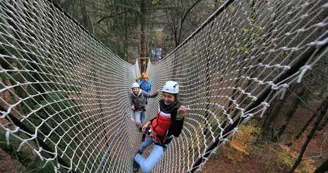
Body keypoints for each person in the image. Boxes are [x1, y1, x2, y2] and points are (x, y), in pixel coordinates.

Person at [133, 81, 190, 173]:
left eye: (169, 96)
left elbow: (176, 133)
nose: (166, 99)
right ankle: (138, 153)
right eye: (164, 95)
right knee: (143, 145)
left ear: (175, 97)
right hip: (153, 132)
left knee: (146, 169)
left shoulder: (176, 110)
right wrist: (149, 123)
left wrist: (179, 117)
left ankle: (136, 158)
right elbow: (159, 118)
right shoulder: (161, 103)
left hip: (162, 140)